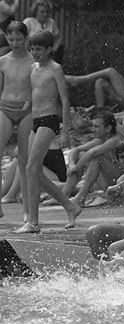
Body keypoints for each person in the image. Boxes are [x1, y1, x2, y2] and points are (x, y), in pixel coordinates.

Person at [14, 30, 80, 233]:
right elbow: (34, 93)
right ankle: (70, 206)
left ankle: (33, 222)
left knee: (32, 167)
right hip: (35, 119)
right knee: (29, 169)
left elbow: (65, 100)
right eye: (32, 49)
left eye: (39, 49)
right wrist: (24, 107)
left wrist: (66, 130)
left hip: (50, 120)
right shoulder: (33, 68)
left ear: (49, 49)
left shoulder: (55, 69)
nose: (35, 53)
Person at [0, 21, 32, 220]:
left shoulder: (33, 62)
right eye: (11, 39)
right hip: (5, 108)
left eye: (18, 39)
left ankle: (28, 210)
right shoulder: (2, 61)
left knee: (24, 161)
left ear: (26, 38)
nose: (14, 43)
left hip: (26, 111)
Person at [62, 110, 124, 206]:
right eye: (92, 126)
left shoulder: (115, 140)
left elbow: (92, 153)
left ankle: (79, 197)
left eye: (96, 126)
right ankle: (63, 195)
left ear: (108, 128)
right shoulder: (100, 140)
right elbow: (75, 150)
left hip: (120, 181)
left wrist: (76, 167)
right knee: (81, 154)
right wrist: (71, 165)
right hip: (106, 182)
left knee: (97, 159)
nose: (92, 129)